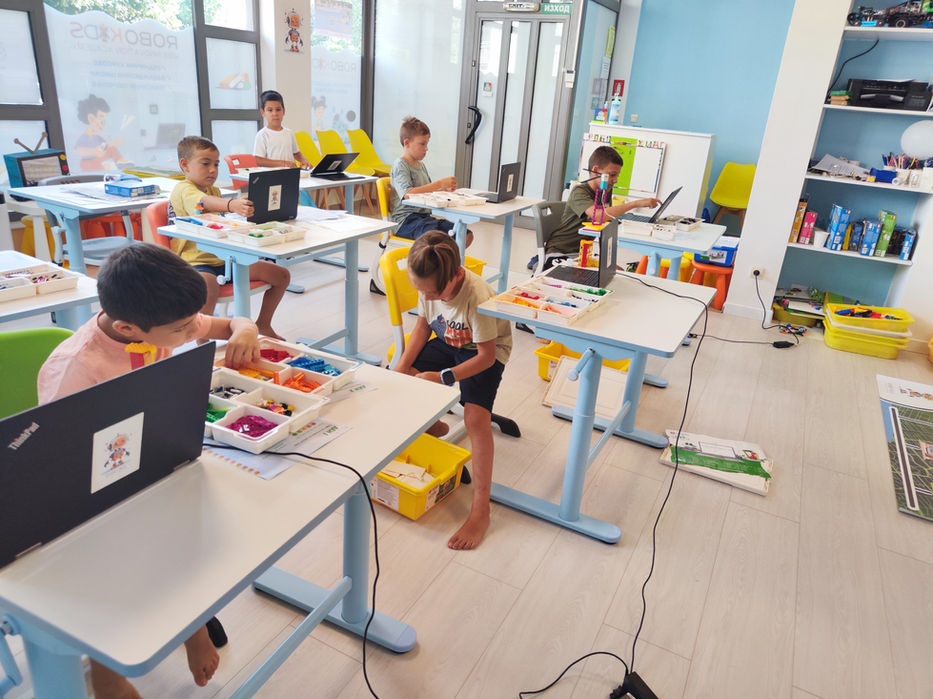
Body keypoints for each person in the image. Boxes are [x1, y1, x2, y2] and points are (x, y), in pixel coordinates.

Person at [37, 243, 262, 699]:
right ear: (126, 329)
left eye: (191, 321)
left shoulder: (162, 318)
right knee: (119, 558)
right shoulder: (74, 370)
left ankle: (190, 618)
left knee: (203, 523)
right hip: (93, 489)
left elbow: (226, 324)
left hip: (153, 456)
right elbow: (60, 469)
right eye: (182, 329)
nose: (193, 331)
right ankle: (108, 670)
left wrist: (246, 327)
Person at [392, 231, 510, 550]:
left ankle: (481, 511)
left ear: (457, 275)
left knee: (475, 420)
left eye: (434, 293)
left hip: (483, 351)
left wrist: (444, 377)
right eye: (421, 291)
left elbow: (486, 357)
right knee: (405, 377)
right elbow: (422, 328)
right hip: (448, 341)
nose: (427, 298)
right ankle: (434, 425)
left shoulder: (477, 297)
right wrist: (400, 369)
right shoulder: (428, 283)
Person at [169, 135, 290, 339]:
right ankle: (203, 341)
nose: (213, 170)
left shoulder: (213, 189)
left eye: (216, 164)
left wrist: (240, 205)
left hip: (226, 258)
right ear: (185, 165)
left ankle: (263, 324)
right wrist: (231, 204)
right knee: (209, 287)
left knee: (281, 275)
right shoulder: (184, 189)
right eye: (205, 163)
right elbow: (203, 202)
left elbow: (219, 214)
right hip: (197, 262)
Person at [542, 145, 662, 266]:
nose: (616, 180)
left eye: (617, 175)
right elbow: (599, 216)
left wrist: (606, 263)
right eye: (612, 174)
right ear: (596, 170)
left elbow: (605, 223)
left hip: (582, 252)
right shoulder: (579, 192)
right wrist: (635, 204)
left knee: (616, 272)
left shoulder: (605, 191)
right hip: (560, 251)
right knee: (587, 275)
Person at [389, 116, 473, 246]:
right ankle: (438, 258)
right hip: (406, 221)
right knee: (439, 240)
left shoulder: (420, 165)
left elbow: (427, 192)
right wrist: (439, 184)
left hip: (424, 218)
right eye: (422, 144)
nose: (426, 148)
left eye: (427, 144)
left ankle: (446, 258)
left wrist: (443, 189)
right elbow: (407, 194)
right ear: (407, 143)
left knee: (465, 234)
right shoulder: (400, 164)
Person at [253, 90, 311, 168]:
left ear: (283, 111)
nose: (275, 114)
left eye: (278, 109)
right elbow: (258, 160)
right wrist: (283, 163)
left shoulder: (289, 133)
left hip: (291, 173)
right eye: (270, 110)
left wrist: (304, 160)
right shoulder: (262, 135)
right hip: (272, 174)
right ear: (263, 112)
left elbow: (296, 153)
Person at [74, 94, 127, 171]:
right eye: (102, 121)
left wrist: (112, 144)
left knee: (112, 148)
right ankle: (110, 166)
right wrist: (95, 151)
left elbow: (104, 147)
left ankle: (120, 162)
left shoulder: (97, 138)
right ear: (91, 118)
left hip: (98, 161)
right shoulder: (84, 137)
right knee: (110, 148)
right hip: (88, 163)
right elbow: (79, 150)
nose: (104, 125)